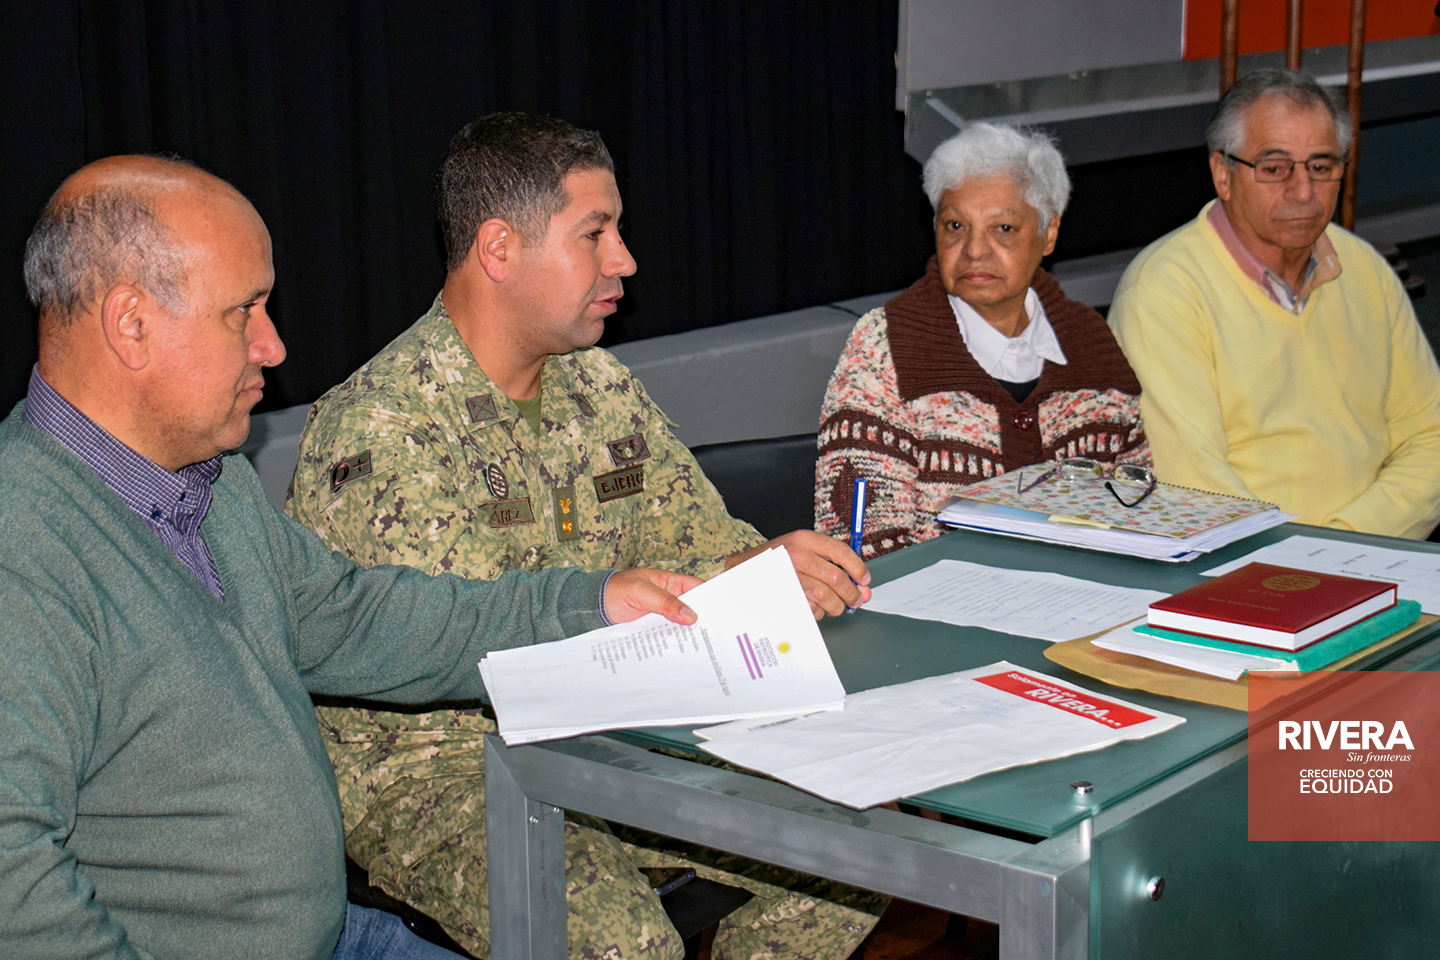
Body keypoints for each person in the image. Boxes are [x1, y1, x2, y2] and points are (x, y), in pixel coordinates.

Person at [0, 154, 701, 960]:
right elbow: (16, 894)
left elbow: (358, 616)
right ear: (131, 325)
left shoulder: (204, 479)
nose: (272, 345)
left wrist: (588, 605)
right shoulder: (25, 550)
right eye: (243, 311)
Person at [286, 114, 883, 960]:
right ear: (500, 249)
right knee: (621, 945)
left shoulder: (595, 385)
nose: (625, 261)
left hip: (615, 733)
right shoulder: (384, 429)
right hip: (440, 766)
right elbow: (468, 658)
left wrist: (761, 568)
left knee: (859, 842)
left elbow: (695, 540)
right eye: (595, 234)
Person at [1109, 69, 1440, 540]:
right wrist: (1311, 561)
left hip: (1372, 555)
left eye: (1321, 167)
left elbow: (1431, 439)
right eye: (1274, 168)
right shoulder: (1163, 293)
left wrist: (1352, 541)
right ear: (1223, 174)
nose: (1303, 191)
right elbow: (1194, 490)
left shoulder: (1365, 269)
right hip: (1241, 569)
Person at [815, 123, 1150, 558]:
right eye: (955, 225)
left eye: (1003, 228)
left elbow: (1137, 511)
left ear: (1048, 233)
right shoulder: (887, 347)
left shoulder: (1090, 346)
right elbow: (859, 548)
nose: (974, 249)